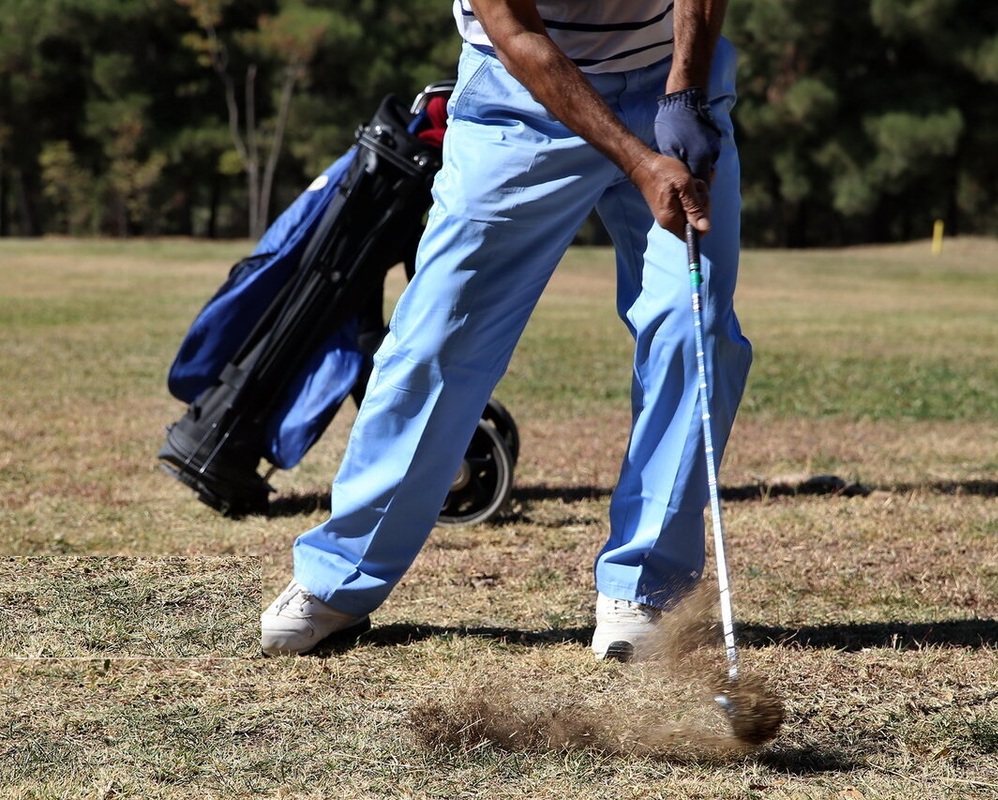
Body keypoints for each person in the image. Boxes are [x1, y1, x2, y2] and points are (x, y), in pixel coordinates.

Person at [261, 0, 753, 660]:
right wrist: (638, 163)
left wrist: (686, 90)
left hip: (668, 83)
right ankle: (341, 578)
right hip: (520, 93)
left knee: (694, 328)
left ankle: (646, 585)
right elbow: (519, 34)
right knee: (439, 336)